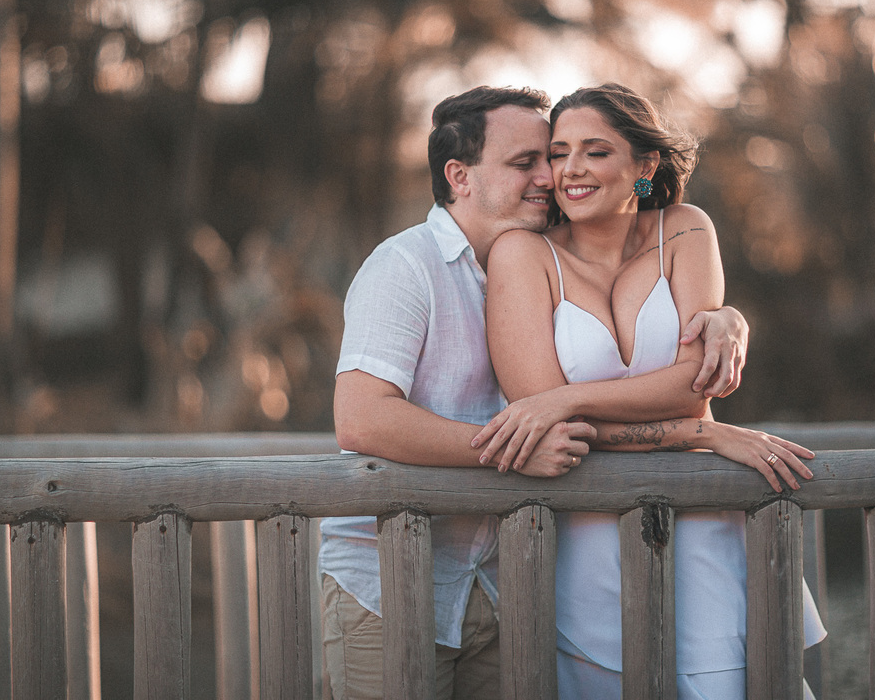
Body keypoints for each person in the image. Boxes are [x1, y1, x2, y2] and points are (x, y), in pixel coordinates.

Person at [320, 85, 753, 700]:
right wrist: (518, 448)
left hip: (503, 575)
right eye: (530, 162)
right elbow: (362, 420)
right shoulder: (405, 267)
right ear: (459, 176)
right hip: (392, 577)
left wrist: (728, 317)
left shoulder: (530, 252)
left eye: (548, 159)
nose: (552, 177)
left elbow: (599, 374)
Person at [477, 83, 826, 699]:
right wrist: (700, 433)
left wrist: (567, 397)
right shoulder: (522, 254)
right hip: (584, 534)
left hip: (702, 520)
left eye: (595, 151)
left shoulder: (686, 230)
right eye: (559, 153)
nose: (571, 169)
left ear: (645, 165)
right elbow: (548, 427)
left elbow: (691, 384)